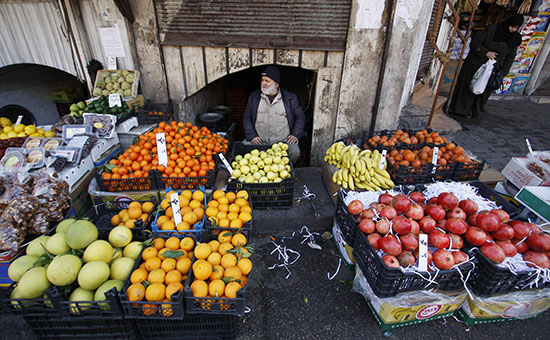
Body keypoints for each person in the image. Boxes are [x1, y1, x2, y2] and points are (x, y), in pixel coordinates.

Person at [448, 14, 524, 118]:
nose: (513, 29)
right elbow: (475, 43)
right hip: (476, 64)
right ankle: (459, 109)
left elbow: (510, 58)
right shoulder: (492, 30)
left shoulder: (515, 39)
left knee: (483, 91)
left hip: (492, 69)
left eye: (516, 28)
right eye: (512, 26)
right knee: (468, 87)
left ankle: (474, 111)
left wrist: (502, 73)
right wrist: (486, 52)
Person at [242, 66, 305, 163]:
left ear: (276, 85)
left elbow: (300, 117)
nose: (264, 83)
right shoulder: (254, 97)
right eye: (262, 80)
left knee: (295, 152)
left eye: (267, 81)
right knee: (243, 148)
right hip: (260, 141)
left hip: (283, 142)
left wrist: (295, 134)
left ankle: (286, 169)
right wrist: (252, 136)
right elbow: (247, 118)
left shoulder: (290, 99)